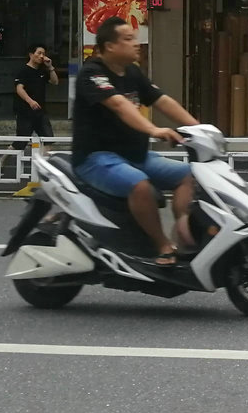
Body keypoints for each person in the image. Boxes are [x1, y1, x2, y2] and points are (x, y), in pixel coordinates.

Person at [74, 17, 200, 267]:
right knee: (140, 186)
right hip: (97, 158)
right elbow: (120, 105)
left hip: (135, 156)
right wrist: (153, 129)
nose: (137, 44)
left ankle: (184, 236)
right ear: (110, 46)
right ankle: (163, 246)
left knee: (190, 175)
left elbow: (162, 100)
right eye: (129, 39)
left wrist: (199, 128)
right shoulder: (92, 73)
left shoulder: (132, 72)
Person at [14, 43, 59, 145]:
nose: (42, 56)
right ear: (31, 54)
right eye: (39, 53)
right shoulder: (23, 71)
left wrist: (50, 67)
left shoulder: (42, 71)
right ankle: (2, 160)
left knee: (48, 140)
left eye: (43, 54)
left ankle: (42, 161)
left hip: (40, 111)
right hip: (25, 112)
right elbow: (19, 88)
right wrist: (30, 101)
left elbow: (55, 82)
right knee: (20, 142)